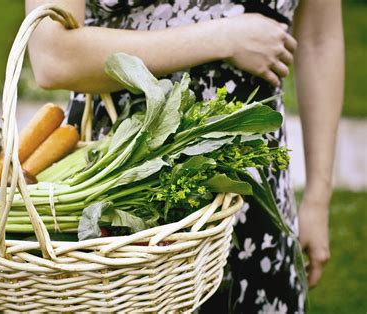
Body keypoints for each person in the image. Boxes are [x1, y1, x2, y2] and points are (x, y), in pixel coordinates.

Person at [25, 0, 344, 312]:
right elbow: (53, 56)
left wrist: (318, 197)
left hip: (253, 194)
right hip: (122, 189)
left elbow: (320, 40)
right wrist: (224, 38)